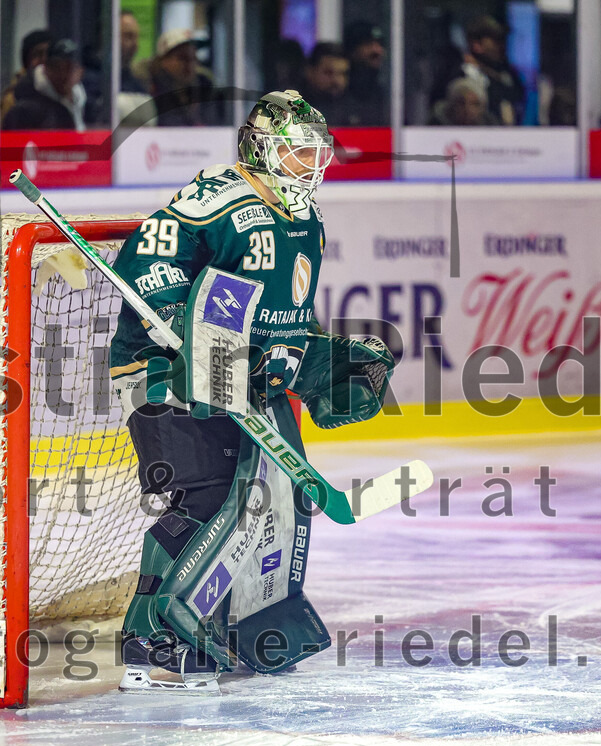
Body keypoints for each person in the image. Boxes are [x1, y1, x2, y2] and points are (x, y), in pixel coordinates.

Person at [108, 90, 394, 692]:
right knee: (210, 499)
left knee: (280, 502)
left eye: (318, 154)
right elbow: (149, 265)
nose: (311, 168)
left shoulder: (307, 221)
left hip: (245, 379)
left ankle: (249, 623)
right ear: (260, 151)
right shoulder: (213, 201)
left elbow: (288, 321)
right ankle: (156, 638)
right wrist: (190, 335)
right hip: (166, 376)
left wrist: (321, 367)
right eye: (296, 155)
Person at [436, 16, 525, 126]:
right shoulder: (461, 74)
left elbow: (517, 98)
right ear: (477, 45)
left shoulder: (506, 74)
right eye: (495, 41)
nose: (501, 46)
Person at [2, 38, 86, 131]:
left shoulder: (86, 102)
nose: (63, 74)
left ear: (81, 71)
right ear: (46, 68)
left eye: (71, 68)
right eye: (57, 67)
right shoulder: (23, 108)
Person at [147, 28, 224, 127]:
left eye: (193, 58)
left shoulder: (205, 88)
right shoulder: (151, 90)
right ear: (163, 61)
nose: (189, 65)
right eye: (182, 58)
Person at [0, 29, 52, 125]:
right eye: (37, 54)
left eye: (49, 54)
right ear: (26, 61)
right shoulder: (12, 99)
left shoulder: (61, 91)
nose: (44, 60)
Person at [343, 20, 389, 125]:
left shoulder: (383, 94)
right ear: (352, 49)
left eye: (380, 44)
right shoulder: (338, 90)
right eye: (368, 44)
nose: (377, 50)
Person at [300, 42, 351, 126]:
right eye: (328, 73)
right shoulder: (292, 108)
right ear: (310, 71)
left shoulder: (353, 109)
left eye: (342, 73)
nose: (336, 80)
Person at [429, 77, 500, 126]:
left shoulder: (491, 127)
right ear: (452, 105)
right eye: (461, 103)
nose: (468, 109)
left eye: (475, 104)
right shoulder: (435, 127)